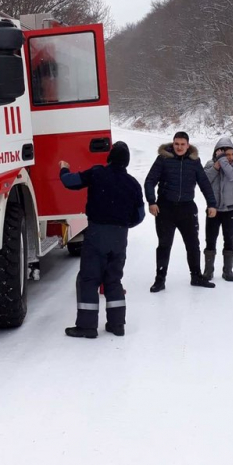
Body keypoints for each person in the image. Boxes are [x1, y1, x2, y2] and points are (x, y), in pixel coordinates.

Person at [59, 141, 145, 339]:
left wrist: (64, 169)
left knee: (89, 279)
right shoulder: (132, 183)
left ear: (110, 157)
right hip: (119, 236)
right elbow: (139, 215)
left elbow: (69, 182)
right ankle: (117, 325)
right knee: (113, 279)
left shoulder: (97, 174)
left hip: (97, 234)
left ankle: (87, 327)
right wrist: (122, 224)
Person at [144, 130, 217, 292]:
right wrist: (151, 202)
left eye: (182, 144)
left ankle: (196, 276)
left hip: (187, 208)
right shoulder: (163, 159)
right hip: (165, 209)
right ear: (173, 143)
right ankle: (160, 279)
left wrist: (211, 204)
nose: (179, 147)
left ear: (188, 145)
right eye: (176, 144)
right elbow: (149, 181)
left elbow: (204, 184)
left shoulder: (194, 161)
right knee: (164, 245)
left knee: (193, 244)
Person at [203, 136, 233, 282]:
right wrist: (215, 167)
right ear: (217, 153)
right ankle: (208, 271)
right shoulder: (210, 164)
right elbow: (204, 181)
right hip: (213, 209)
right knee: (210, 239)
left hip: (230, 209)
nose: (230, 157)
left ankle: (228, 271)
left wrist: (222, 160)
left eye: (232, 154)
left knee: (229, 240)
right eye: (227, 154)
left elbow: (231, 176)